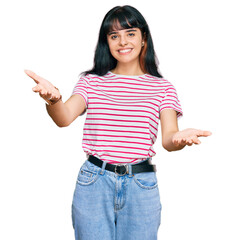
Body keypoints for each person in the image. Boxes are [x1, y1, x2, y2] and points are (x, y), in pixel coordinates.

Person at [24, 5, 211, 240]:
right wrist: (54, 99)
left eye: (130, 33)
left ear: (144, 38)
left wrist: (179, 139)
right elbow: (64, 118)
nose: (122, 41)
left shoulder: (163, 88)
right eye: (114, 35)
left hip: (141, 185)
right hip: (94, 182)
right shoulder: (91, 82)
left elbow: (168, 139)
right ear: (107, 42)